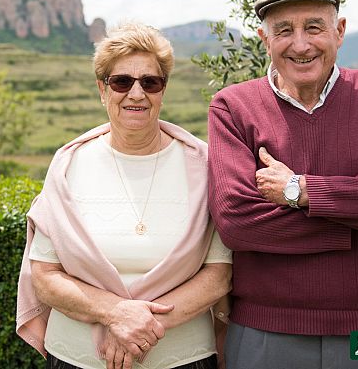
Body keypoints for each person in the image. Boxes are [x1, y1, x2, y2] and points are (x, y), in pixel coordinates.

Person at [207, 0, 358, 369]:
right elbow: (237, 222)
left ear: (340, 31)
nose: (300, 44)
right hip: (268, 331)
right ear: (265, 40)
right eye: (284, 31)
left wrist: (301, 191)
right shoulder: (232, 107)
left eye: (314, 27)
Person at [17, 22, 232, 369]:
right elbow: (44, 277)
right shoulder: (68, 165)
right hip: (77, 360)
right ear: (102, 90)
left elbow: (218, 275)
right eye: (121, 82)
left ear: (163, 91)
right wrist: (114, 313)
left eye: (150, 82)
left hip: (184, 360)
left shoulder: (205, 166)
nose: (136, 93)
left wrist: (141, 327)